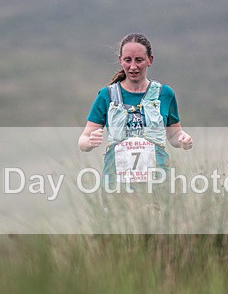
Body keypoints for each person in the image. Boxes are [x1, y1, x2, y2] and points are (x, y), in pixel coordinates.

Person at [78, 33, 193, 190]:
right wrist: (90, 142)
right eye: (128, 60)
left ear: (150, 60)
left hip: (159, 184)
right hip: (116, 184)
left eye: (139, 60)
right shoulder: (107, 95)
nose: (133, 66)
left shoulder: (165, 94)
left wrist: (183, 139)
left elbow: (174, 135)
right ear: (121, 60)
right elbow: (83, 141)